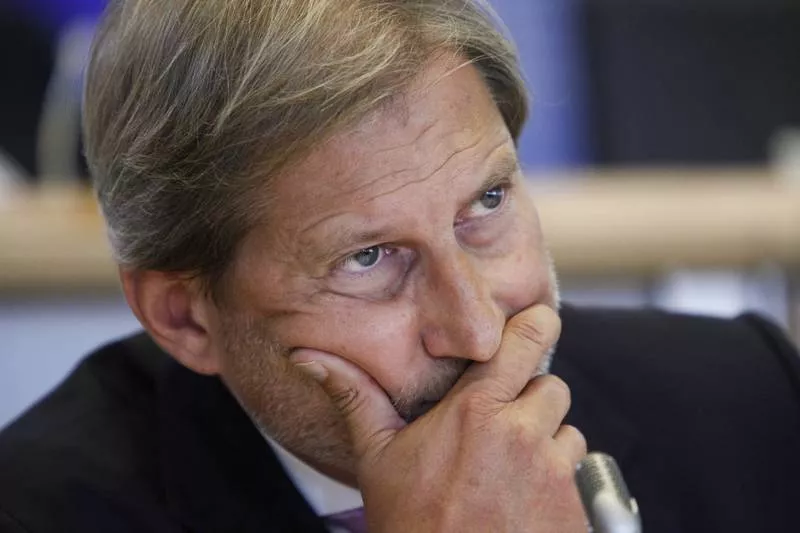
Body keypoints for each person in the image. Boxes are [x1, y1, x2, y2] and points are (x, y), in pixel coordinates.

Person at [1, 1, 799, 531]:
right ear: (185, 317)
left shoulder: (747, 401)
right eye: (368, 258)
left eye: (487, 202)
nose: (480, 331)